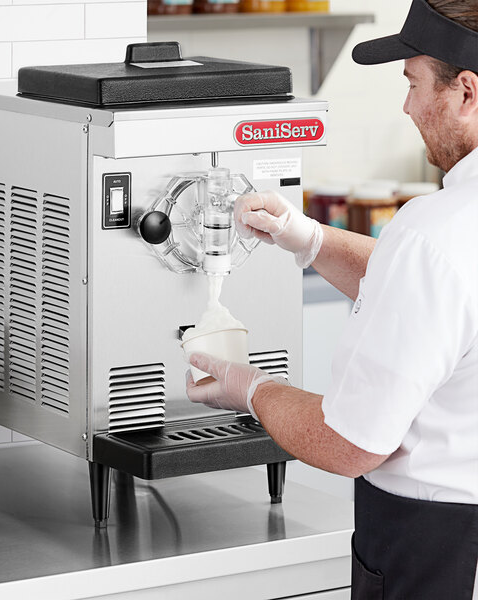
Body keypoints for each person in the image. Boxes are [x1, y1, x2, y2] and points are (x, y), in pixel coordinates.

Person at [186, 0, 478, 598]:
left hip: (441, 552)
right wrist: (308, 238)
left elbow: (350, 445)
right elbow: (441, 302)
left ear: (466, 92)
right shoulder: (441, 243)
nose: (405, 106)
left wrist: (252, 390)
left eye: (413, 83)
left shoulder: (433, 233)